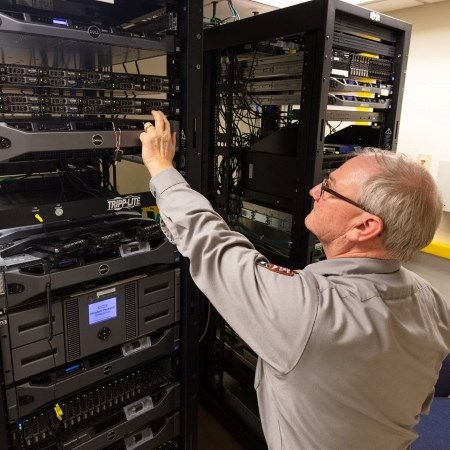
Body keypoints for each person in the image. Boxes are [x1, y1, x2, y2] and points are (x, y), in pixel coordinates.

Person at [140, 110, 450, 450]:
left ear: (365, 226)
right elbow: (418, 400)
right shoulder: (432, 300)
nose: (315, 190)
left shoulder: (312, 312)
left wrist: (159, 165)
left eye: (330, 189)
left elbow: (211, 242)